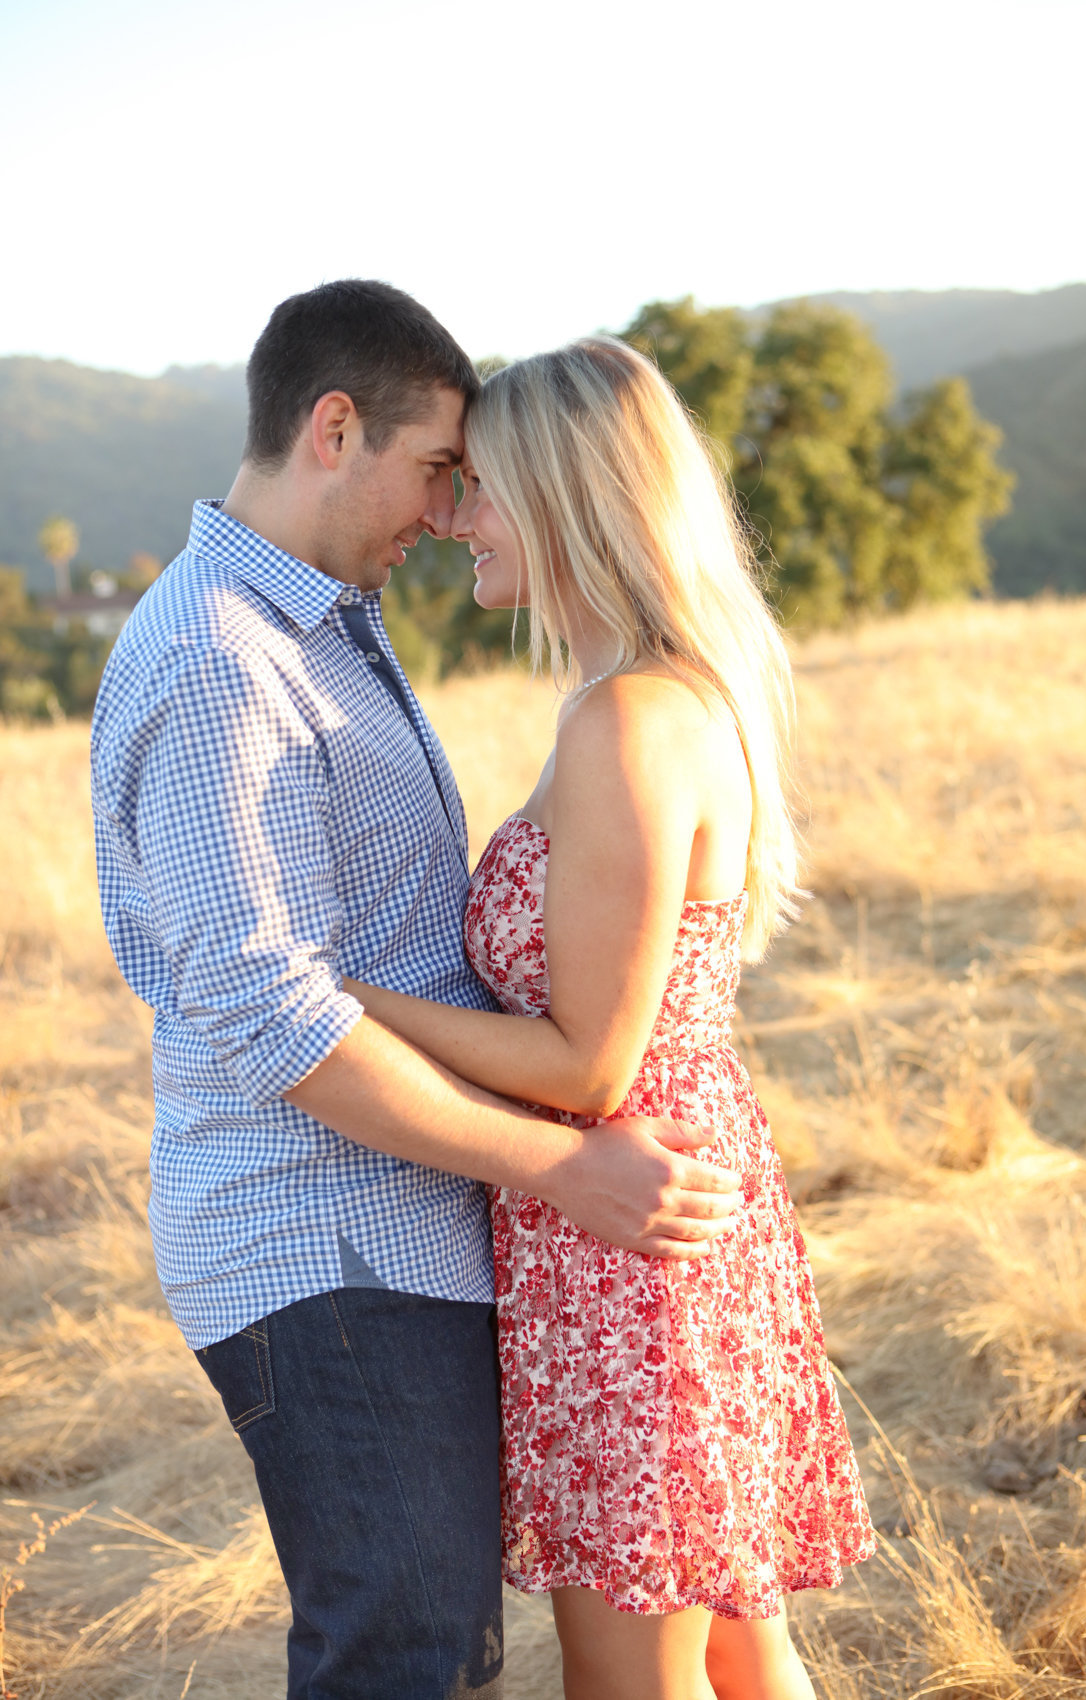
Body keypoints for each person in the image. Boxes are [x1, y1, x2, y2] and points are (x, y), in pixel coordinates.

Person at [89, 282, 745, 1700]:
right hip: (324, 1249)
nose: (446, 513)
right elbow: (275, 1013)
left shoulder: (310, 626)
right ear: (335, 429)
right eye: (437, 469)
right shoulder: (220, 660)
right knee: (411, 1662)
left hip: (406, 1231)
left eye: (470, 482)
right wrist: (561, 1167)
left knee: (460, 1650)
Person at [341, 337, 876, 1700]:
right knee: (737, 1649)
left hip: (631, 1232)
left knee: (630, 1674)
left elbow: (588, 1066)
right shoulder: (646, 697)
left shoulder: (629, 720)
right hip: (647, 1208)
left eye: (481, 487)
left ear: (567, 495)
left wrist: (347, 1001)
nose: (453, 518)